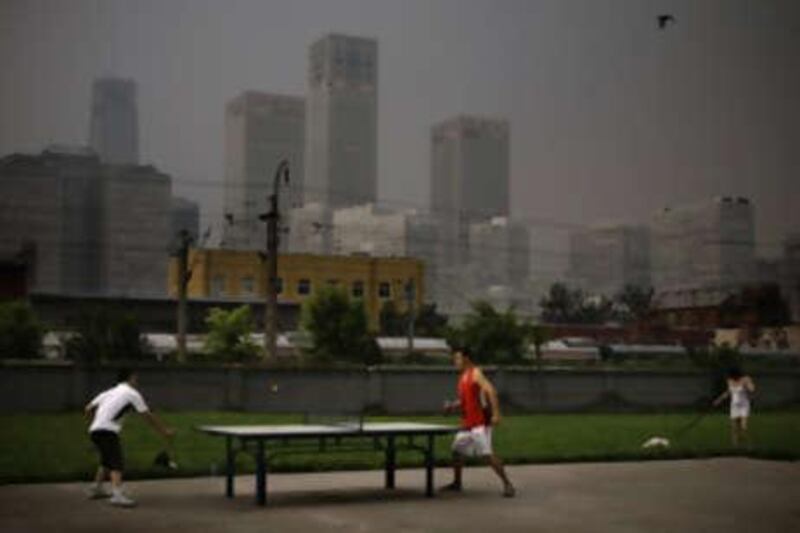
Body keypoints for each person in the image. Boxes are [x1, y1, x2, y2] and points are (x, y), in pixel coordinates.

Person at [84, 368, 174, 507]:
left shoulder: (109, 392)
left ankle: (96, 489)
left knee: (106, 460)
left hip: (95, 430)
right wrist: (164, 431)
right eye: (135, 378)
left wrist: (96, 425)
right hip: (107, 431)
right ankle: (117, 495)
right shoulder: (132, 394)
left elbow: (88, 408)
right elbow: (147, 415)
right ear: (130, 378)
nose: (136, 381)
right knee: (116, 461)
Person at [442, 347, 515, 497]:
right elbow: (464, 401)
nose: (455, 362)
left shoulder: (475, 373)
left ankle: (508, 485)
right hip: (467, 424)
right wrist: (451, 406)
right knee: (456, 451)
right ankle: (457, 483)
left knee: (487, 455)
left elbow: (491, 391)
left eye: (457, 358)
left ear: (466, 359)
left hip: (480, 424)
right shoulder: (463, 377)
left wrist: (496, 414)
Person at [712, 366, 756, 448]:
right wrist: (718, 400)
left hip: (744, 405)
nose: (733, 378)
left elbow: (752, 389)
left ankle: (747, 445)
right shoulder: (730, 381)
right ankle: (735, 446)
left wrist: (749, 386)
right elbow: (728, 392)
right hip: (734, 406)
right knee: (734, 428)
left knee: (743, 427)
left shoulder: (745, 379)